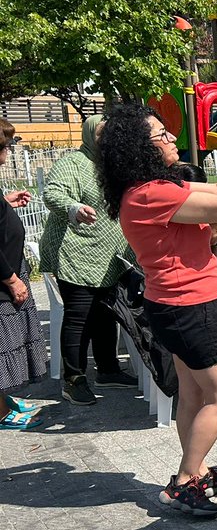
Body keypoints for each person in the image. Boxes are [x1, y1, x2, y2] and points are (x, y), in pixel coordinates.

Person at [97, 104, 217, 515]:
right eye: (160, 136)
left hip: (181, 304)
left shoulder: (152, 187)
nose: (170, 140)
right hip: (190, 306)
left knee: (195, 394)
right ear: (138, 149)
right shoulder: (149, 193)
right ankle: (183, 481)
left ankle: (198, 469)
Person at [39, 115, 140, 406]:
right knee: (79, 317)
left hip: (110, 256)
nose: (105, 139)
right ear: (87, 134)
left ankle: (108, 370)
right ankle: (74, 380)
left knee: (106, 314)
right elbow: (53, 193)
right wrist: (74, 207)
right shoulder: (73, 163)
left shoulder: (116, 165)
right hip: (76, 253)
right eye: (99, 134)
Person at [0, 120, 46, 430]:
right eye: (4, 146)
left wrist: (5, 203)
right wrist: (11, 279)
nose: (7, 153)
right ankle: (1, 412)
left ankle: (3, 401)